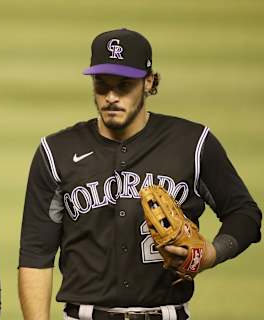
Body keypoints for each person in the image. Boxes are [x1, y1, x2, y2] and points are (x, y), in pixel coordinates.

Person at [18, 28, 261, 320]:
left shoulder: (192, 143)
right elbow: (35, 254)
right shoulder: (55, 151)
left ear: (149, 82)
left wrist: (211, 253)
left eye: (123, 85)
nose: (110, 97)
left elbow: (244, 214)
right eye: (101, 84)